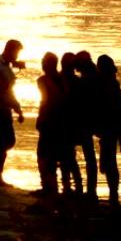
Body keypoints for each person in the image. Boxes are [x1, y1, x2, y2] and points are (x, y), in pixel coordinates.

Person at [0, 39, 25, 187]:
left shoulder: (4, 66)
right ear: (10, 50)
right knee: (6, 141)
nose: (17, 55)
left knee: (4, 142)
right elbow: (1, 89)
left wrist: (17, 107)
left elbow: (9, 91)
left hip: (4, 109)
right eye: (16, 52)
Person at [95, 54, 121, 206]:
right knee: (109, 161)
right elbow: (120, 102)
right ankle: (113, 194)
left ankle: (113, 194)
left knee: (108, 161)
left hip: (108, 126)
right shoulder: (111, 83)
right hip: (112, 126)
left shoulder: (104, 83)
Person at [36, 52, 64, 195]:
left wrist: (41, 118)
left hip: (49, 122)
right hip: (60, 122)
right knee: (53, 156)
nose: (42, 63)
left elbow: (45, 101)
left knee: (43, 155)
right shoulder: (62, 79)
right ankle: (52, 186)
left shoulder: (43, 80)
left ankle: (48, 187)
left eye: (43, 61)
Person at [74, 51, 99, 202]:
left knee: (88, 156)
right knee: (89, 156)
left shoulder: (87, 78)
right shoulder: (93, 75)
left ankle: (89, 190)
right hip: (89, 120)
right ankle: (89, 190)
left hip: (86, 121)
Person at [58, 52, 83, 195]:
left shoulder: (60, 79)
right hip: (70, 122)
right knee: (68, 156)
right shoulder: (75, 81)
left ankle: (68, 185)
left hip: (64, 123)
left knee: (65, 156)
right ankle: (73, 185)